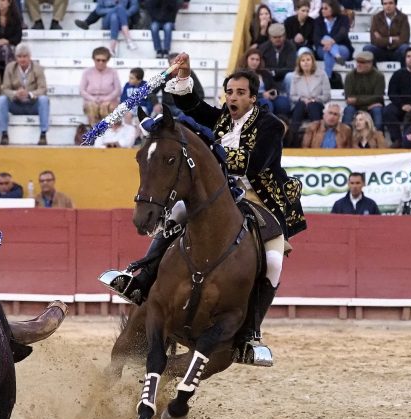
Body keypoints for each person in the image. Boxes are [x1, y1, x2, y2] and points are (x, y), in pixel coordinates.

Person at [112, 54, 307, 363]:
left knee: (273, 261)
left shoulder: (271, 125)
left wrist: (208, 148)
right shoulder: (221, 120)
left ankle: (251, 333)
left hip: (260, 199)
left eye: (241, 93)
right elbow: (190, 104)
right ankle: (141, 278)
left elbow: (254, 164)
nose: (234, 98)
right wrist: (185, 74)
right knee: (175, 216)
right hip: (219, 194)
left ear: (253, 98)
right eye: (230, 92)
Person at [0, 42, 49, 145]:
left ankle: (43, 134)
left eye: (25, 56)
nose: (22, 59)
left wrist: (29, 94)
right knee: (1, 99)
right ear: (16, 57)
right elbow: (4, 89)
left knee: (44, 99)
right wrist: (16, 93)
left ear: (30, 57)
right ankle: (4, 134)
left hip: (32, 104)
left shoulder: (38, 68)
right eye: (19, 57)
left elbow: (43, 89)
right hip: (16, 104)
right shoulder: (10, 68)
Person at [287, 49, 330, 142]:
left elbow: (327, 96)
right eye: (303, 61)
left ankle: (317, 139)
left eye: (308, 60)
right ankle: (292, 139)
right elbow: (292, 96)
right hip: (300, 104)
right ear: (299, 63)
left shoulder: (322, 74)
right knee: (300, 105)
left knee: (312, 106)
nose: (305, 63)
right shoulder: (295, 76)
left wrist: (314, 99)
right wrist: (302, 99)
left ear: (313, 62)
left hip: (317, 104)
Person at [240, 47, 290, 117]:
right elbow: (242, 93)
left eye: (257, 60)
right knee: (266, 104)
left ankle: (280, 123)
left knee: (283, 102)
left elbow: (274, 86)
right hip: (253, 100)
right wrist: (262, 95)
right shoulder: (241, 75)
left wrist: (274, 92)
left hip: (268, 97)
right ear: (246, 60)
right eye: (252, 59)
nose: (255, 62)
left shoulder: (264, 73)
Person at [341, 50, 384, 129]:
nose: (358, 65)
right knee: (349, 110)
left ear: (370, 63)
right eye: (357, 62)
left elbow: (377, 96)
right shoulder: (350, 76)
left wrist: (356, 100)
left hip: (373, 106)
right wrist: (366, 106)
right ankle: (344, 136)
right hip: (357, 106)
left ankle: (379, 137)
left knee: (377, 110)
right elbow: (349, 98)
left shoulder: (379, 76)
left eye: (362, 63)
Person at [81, 46, 122, 126]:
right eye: (98, 60)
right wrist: (93, 99)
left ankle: (110, 133)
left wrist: (106, 100)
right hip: (91, 100)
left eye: (103, 60)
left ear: (108, 60)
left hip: (110, 100)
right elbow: (82, 90)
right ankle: (94, 133)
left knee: (110, 108)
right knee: (91, 107)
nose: (101, 62)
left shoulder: (113, 72)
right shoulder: (87, 72)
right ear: (93, 59)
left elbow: (117, 90)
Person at [312, 0, 352, 79]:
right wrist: (325, 42)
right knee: (326, 41)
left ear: (333, 9)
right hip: (322, 48)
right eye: (322, 8)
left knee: (329, 52)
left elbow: (343, 33)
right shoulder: (318, 21)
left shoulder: (343, 19)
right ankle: (336, 56)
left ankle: (327, 79)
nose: (323, 10)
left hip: (342, 48)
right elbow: (316, 37)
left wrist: (331, 42)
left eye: (325, 8)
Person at [0, 0, 21, 77]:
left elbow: (18, 36)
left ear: (9, 3)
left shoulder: (15, 17)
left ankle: (9, 76)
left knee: (6, 49)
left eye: (3, 1)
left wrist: (8, 41)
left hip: (10, 43)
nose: (0, 3)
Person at [258, 23, 297, 89]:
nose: (277, 39)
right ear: (270, 37)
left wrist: (274, 72)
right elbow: (261, 67)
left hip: (284, 79)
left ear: (284, 36)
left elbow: (291, 67)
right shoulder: (263, 48)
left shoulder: (290, 46)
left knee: (290, 76)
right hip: (268, 79)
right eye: (275, 37)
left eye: (280, 37)